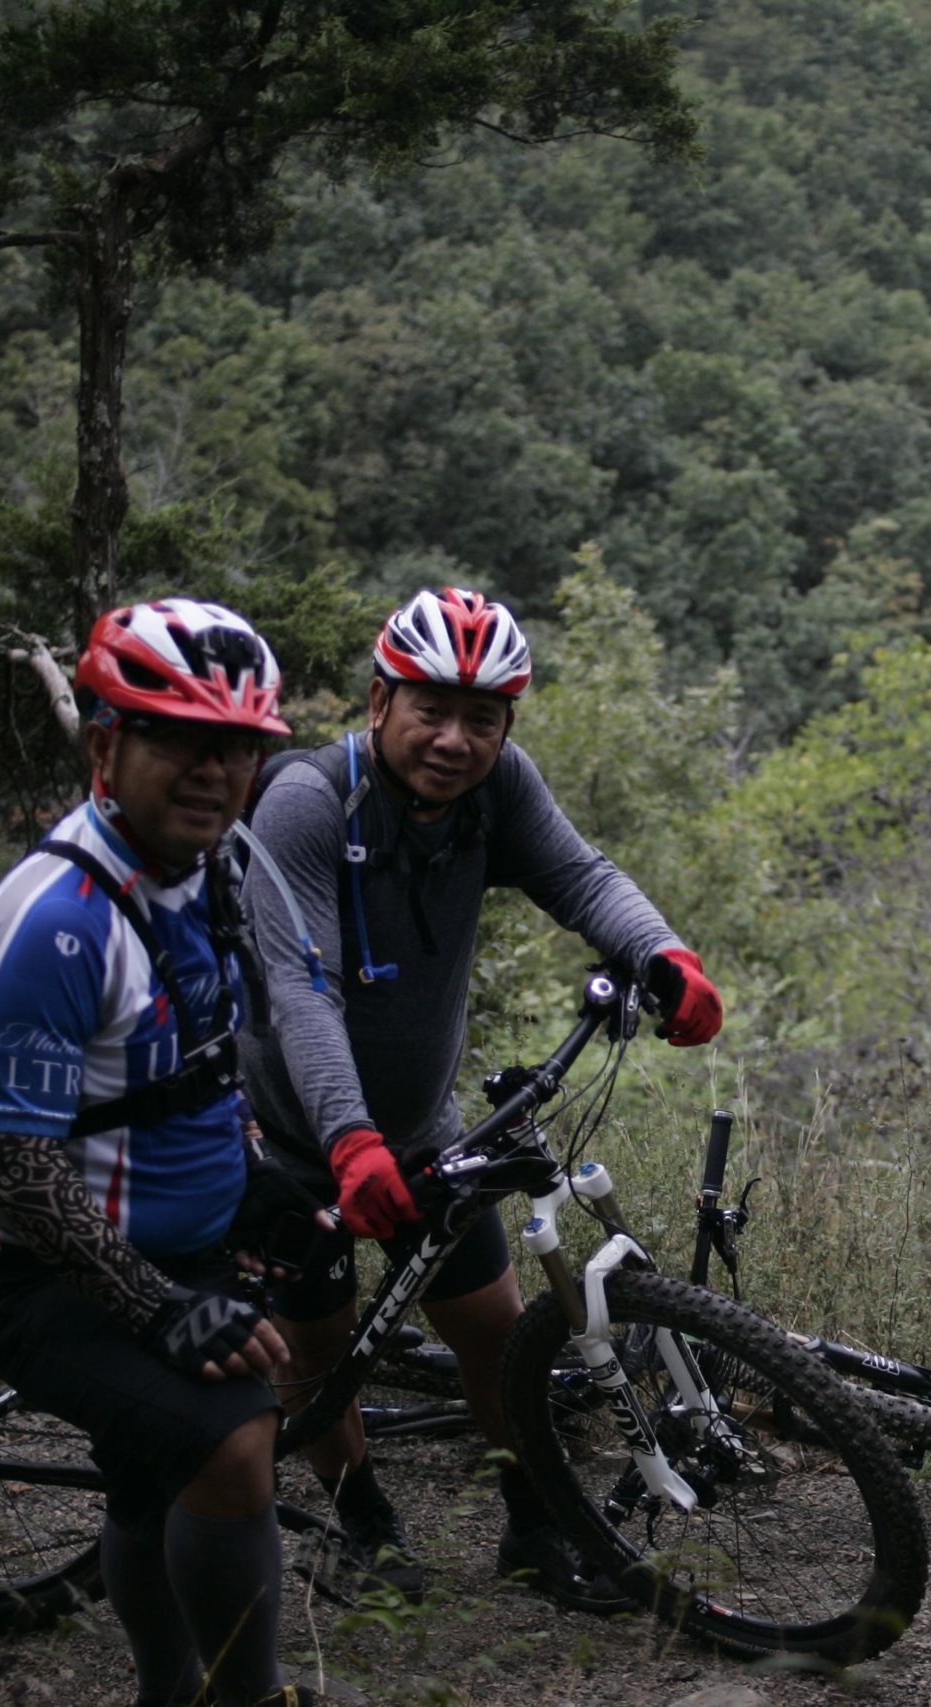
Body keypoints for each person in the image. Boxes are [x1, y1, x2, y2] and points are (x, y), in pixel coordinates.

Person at [240, 585, 723, 1611]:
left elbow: (582, 879)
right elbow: (301, 988)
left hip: (419, 1131)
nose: (456, 739)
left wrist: (664, 954)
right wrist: (344, 1139)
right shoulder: (308, 803)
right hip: (292, 1141)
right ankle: (361, 1518)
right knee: (321, 1356)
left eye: (484, 718)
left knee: (495, 1335)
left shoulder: (500, 793)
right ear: (381, 702)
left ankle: (534, 1527)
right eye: (432, 709)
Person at [0, 598, 321, 1707]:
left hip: (173, 1247)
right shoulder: (57, 924)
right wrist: (158, 1306)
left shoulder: (206, 870)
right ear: (106, 744)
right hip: (43, 1273)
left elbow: (196, 1060)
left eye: (239, 748)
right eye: (181, 740)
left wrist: (255, 1183)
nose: (214, 772)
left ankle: (170, 1689)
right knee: (232, 1445)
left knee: (158, 1474)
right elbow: (17, 1168)